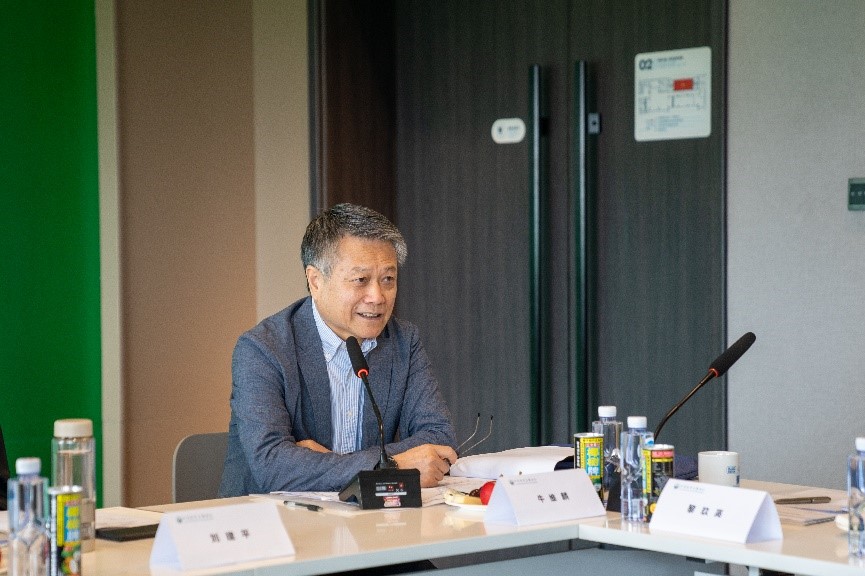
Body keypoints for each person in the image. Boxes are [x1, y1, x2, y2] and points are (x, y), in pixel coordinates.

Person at [219, 203, 458, 496]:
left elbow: (439, 439)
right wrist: (390, 465)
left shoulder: (402, 341)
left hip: (365, 517)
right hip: (272, 519)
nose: (377, 297)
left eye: (388, 279)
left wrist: (331, 463)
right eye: (360, 280)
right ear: (315, 281)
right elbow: (273, 466)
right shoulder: (263, 349)